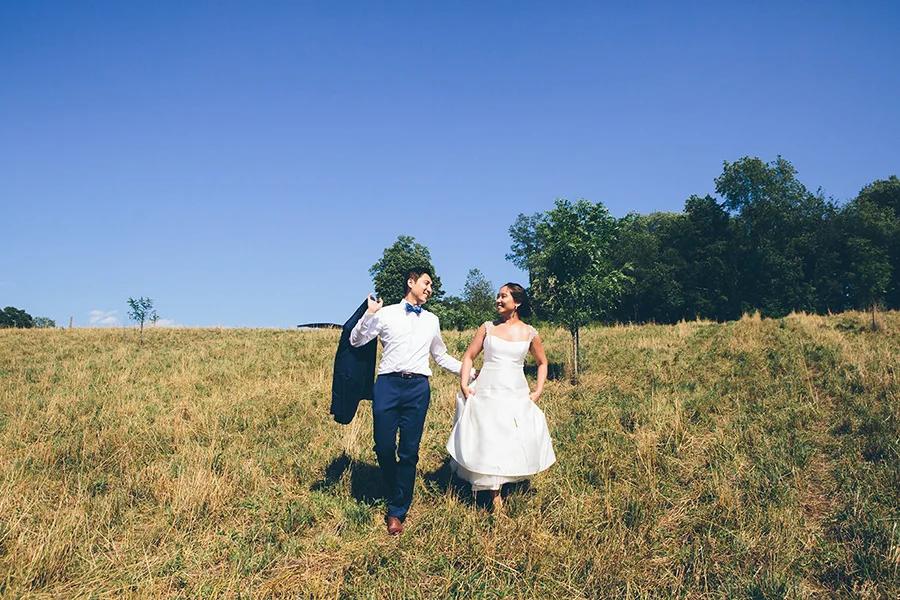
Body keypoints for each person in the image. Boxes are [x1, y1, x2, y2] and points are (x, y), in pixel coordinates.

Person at [349, 267, 472, 535]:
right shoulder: (386, 313)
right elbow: (356, 340)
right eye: (426, 283)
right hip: (388, 385)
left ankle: (397, 510)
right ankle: (396, 485)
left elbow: (440, 356)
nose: (430, 289)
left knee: (409, 451)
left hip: (418, 388)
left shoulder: (432, 320)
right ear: (411, 282)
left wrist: (470, 372)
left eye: (432, 286)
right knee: (382, 446)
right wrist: (369, 313)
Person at [446, 283, 556, 509]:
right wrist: (464, 383)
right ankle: (495, 499)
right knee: (489, 438)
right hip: (487, 390)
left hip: (514, 391)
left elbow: (542, 363)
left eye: (503, 296)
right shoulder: (487, 328)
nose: (497, 300)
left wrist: (539, 389)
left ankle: (506, 481)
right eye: (497, 296)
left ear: (517, 302)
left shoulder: (530, 333)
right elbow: (469, 356)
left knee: (510, 439)